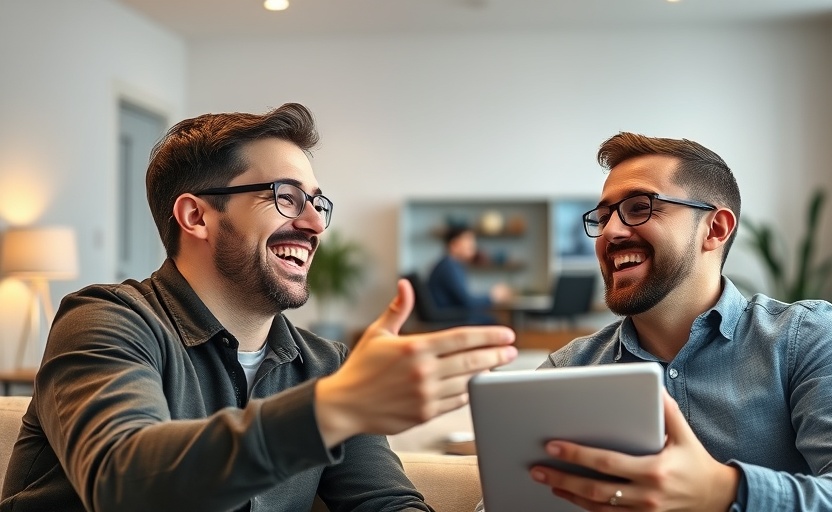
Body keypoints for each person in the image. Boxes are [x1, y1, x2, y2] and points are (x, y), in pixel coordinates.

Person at [0, 103, 518, 512]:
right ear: (196, 216)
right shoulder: (106, 321)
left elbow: (382, 502)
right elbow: (124, 484)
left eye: (318, 202)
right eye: (287, 197)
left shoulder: (325, 365)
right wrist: (334, 408)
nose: (316, 225)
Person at [478, 132, 832, 511]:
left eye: (639, 208)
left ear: (714, 228)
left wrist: (726, 491)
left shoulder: (804, 337)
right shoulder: (567, 370)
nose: (611, 232)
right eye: (602, 218)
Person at [427, 226, 512, 325]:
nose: (473, 245)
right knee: (495, 322)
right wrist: (493, 296)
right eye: (468, 241)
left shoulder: (449, 265)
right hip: (450, 318)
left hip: (452, 316)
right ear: (454, 245)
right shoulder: (449, 267)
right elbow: (467, 302)